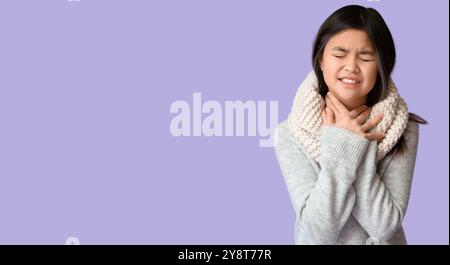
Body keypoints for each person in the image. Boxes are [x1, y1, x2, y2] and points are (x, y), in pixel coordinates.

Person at [274, 5, 427, 245]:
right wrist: (342, 145)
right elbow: (316, 234)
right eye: (339, 54)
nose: (352, 66)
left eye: (366, 57)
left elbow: (385, 225)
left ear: (381, 65)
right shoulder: (291, 132)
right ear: (321, 60)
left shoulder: (403, 127)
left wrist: (357, 144)